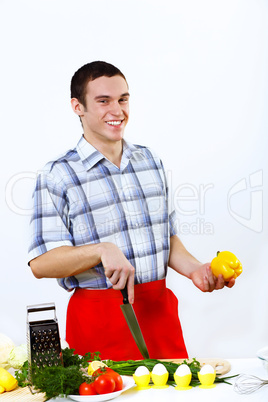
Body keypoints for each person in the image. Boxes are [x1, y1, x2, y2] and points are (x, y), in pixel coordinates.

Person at [28, 61, 235, 361]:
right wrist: (101, 250)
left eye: (123, 99)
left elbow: (167, 238)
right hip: (99, 322)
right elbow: (41, 264)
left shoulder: (150, 160)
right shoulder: (57, 175)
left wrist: (196, 270)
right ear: (78, 107)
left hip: (159, 316)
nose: (117, 110)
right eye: (103, 101)